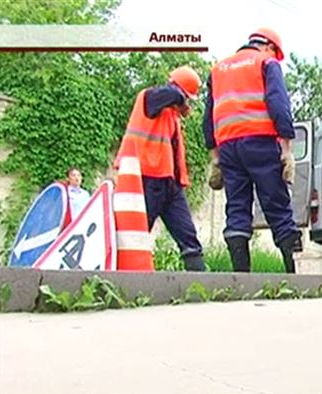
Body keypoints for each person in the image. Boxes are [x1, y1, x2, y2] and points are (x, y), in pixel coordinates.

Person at [203, 27, 302, 273]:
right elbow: (279, 104)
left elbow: (208, 117)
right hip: (260, 142)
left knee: (236, 208)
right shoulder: (266, 62)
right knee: (277, 206)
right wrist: (286, 147)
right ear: (269, 47)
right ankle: (298, 275)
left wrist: (214, 156)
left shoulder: (218, 70)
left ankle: (241, 279)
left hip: (227, 147)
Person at [113, 66, 206, 272]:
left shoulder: (170, 115)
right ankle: (121, 281)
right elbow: (170, 93)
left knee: (188, 238)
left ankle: (201, 283)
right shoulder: (148, 99)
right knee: (133, 235)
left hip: (169, 185)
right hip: (144, 180)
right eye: (188, 98)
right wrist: (181, 99)